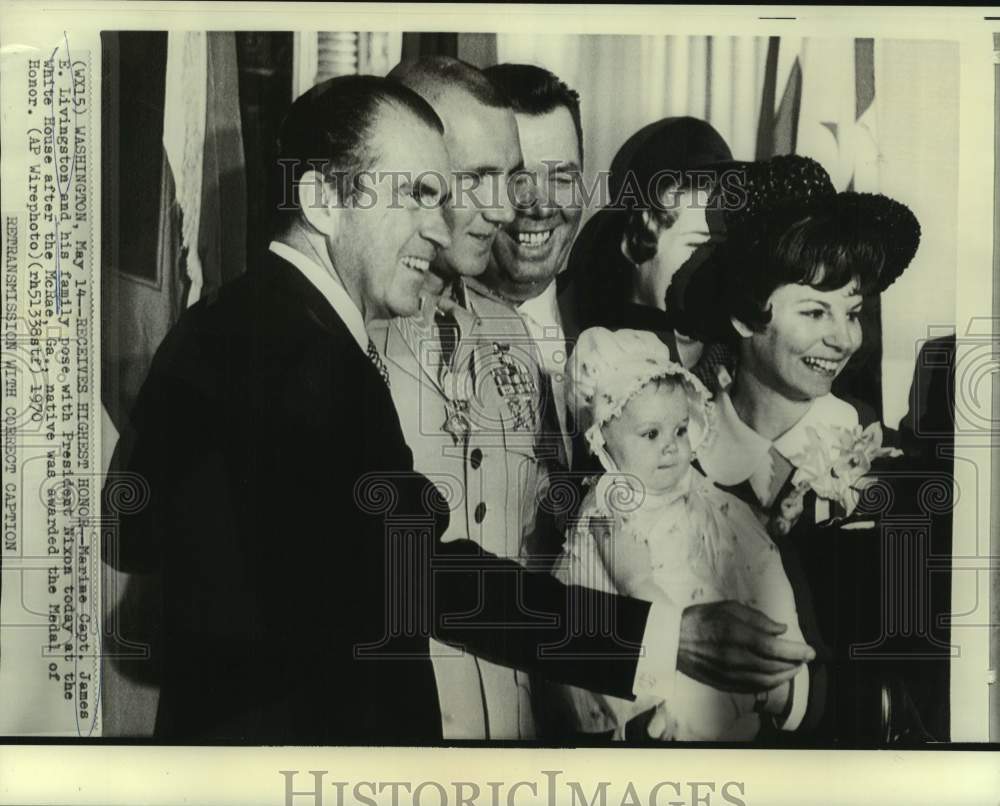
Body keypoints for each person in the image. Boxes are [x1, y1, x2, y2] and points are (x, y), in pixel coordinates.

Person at [103, 75, 813, 743]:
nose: (442, 229)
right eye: (413, 194)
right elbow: (419, 577)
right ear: (322, 200)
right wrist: (665, 637)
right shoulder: (303, 351)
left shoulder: (233, 325)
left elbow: (134, 534)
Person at [671, 154, 928, 741]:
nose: (843, 340)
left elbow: (911, 672)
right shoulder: (676, 456)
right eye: (815, 312)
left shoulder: (885, 470)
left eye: (853, 313)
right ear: (742, 315)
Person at [372, 56, 543, 739]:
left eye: (511, 178)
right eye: (477, 179)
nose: (504, 210)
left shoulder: (514, 338)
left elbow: (533, 546)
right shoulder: (331, 345)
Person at [546, 327, 807, 741]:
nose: (671, 447)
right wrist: (648, 595)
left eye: (680, 430)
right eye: (651, 434)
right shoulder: (610, 509)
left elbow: (748, 548)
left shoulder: (700, 491)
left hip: (726, 658)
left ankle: (780, 662)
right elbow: (628, 595)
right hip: (656, 665)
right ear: (603, 442)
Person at [566, 117, 733, 368]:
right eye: (697, 246)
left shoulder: (733, 354)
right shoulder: (592, 353)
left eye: (722, 247)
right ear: (635, 242)